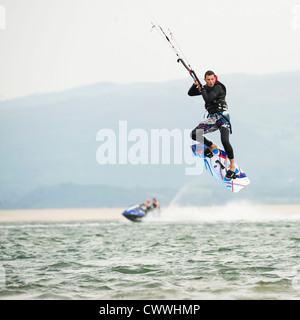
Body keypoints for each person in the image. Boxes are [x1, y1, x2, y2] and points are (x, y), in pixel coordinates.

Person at [188, 70, 237, 180]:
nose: (210, 82)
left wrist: (203, 88)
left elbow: (208, 98)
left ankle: (232, 166)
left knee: (225, 140)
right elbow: (190, 93)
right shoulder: (206, 88)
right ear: (205, 79)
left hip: (223, 118)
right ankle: (211, 146)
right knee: (194, 134)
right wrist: (196, 84)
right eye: (208, 80)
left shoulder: (218, 87)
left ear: (215, 78)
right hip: (212, 119)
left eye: (212, 79)